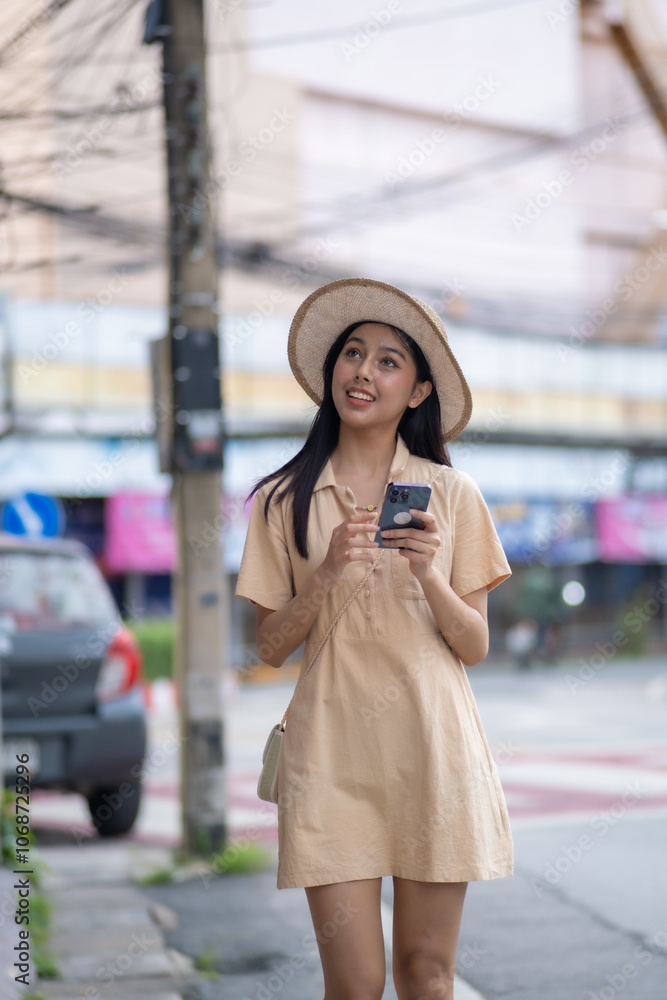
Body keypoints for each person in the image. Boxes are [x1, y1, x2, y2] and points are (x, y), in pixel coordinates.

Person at [236, 277, 513, 1000]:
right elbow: (268, 647)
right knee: (354, 985)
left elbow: (474, 645)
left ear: (418, 390)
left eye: (388, 361)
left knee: (426, 977)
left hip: (432, 754)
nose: (363, 371)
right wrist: (324, 574)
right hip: (328, 763)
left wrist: (428, 576)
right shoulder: (282, 500)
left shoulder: (453, 497)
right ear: (331, 374)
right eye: (352, 354)